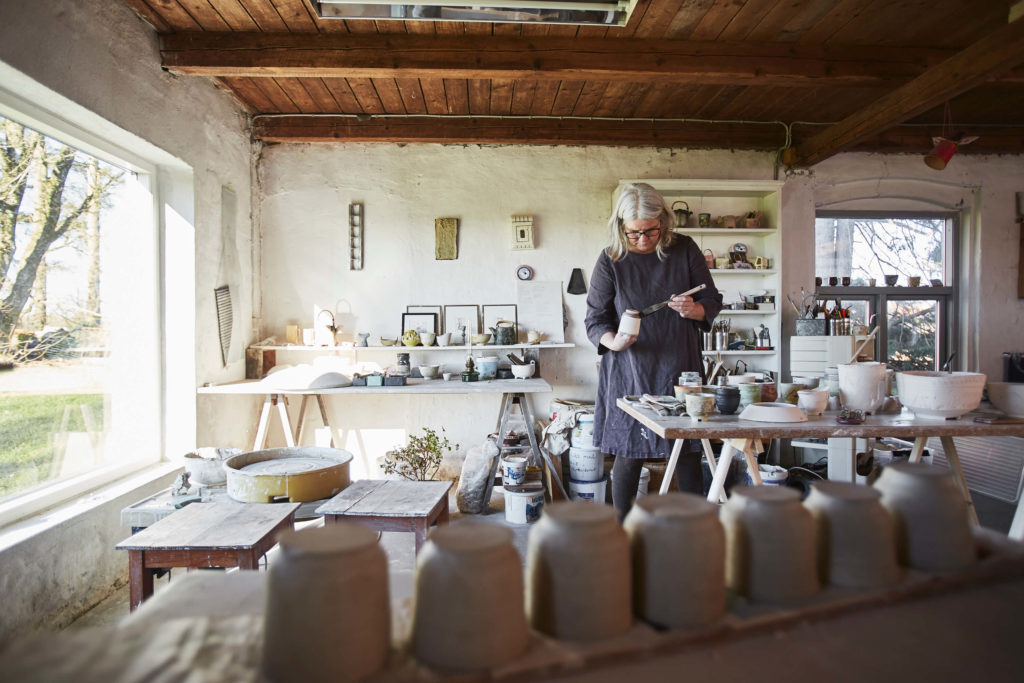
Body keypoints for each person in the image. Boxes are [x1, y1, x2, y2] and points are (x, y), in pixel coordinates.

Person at [585, 182, 722, 521]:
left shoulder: (684, 249)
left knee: (688, 450)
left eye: (650, 231)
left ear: (664, 220)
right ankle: (622, 531)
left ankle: (696, 529)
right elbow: (594, 320)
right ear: (621, 227)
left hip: (680, 368)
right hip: (628, 369)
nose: (643, 240)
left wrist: (694, 310)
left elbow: (712, 301)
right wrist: (611, 340)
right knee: (628, 453)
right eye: (634, 233)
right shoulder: (611, 260)